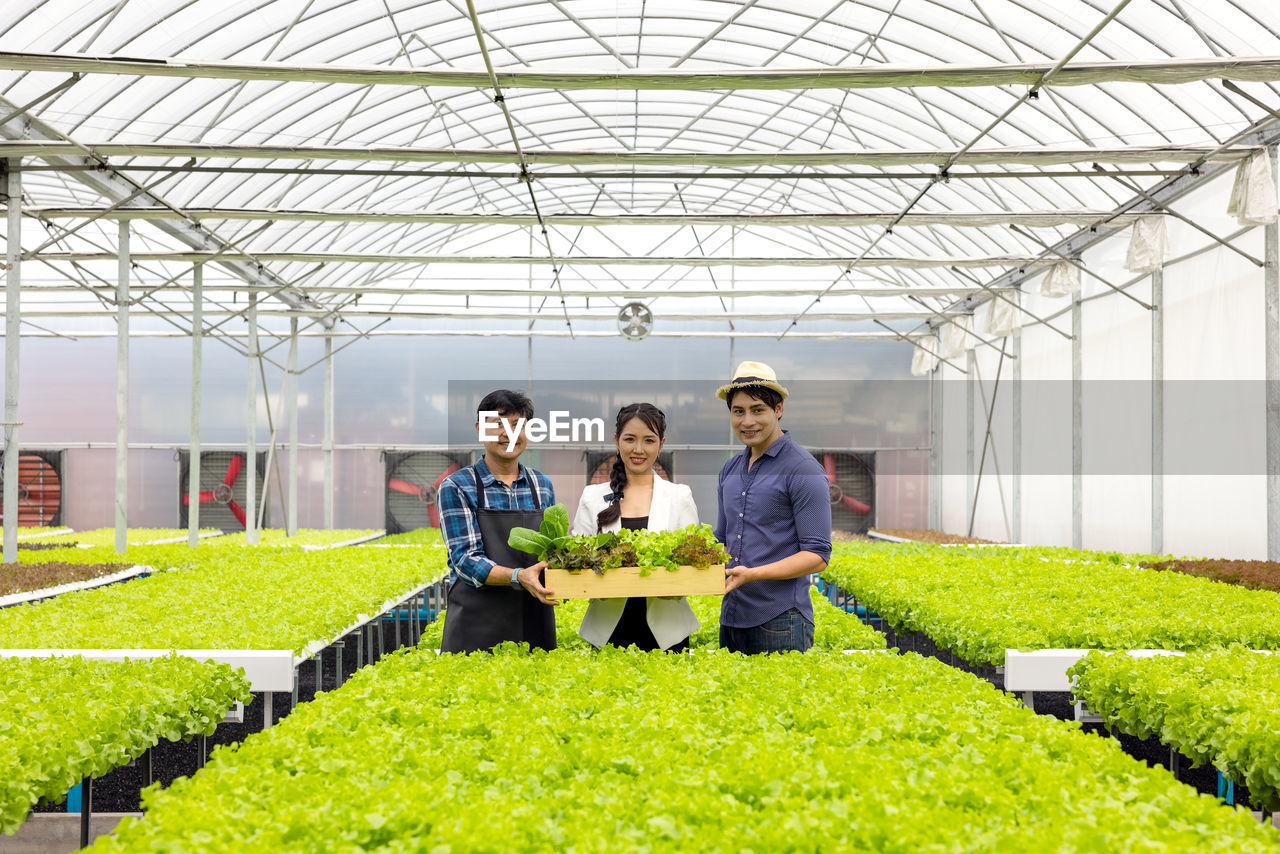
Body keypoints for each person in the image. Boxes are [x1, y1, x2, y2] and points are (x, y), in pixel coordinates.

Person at [714, 361, 832, 654]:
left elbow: (817, 556)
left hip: (780, 620)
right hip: (731, 617)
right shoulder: (730, 470)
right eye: (738, 411)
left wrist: (753, 574)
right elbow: (722, 542)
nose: (747, 421)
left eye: (757, 410)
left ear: (778, 409)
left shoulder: (803, 470)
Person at [437, 389, 559, 653]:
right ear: (481, 429)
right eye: (499, 425)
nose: (509, 434)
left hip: (535, 622)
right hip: (476, 627)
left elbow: (553, 551)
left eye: (517, 425)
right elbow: (465, 560)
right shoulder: (458, 486)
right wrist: (519, 576)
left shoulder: (542, 485)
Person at [571, 403, 701, 651]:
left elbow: (692, 566)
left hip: (668, 633)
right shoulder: (592, 496)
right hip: (607, 631)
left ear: (661, 444)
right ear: (616, 441)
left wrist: (675, 588)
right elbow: (578, 562)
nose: (638, 449)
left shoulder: (679, 496)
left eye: (649, 441)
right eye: (629, 439)